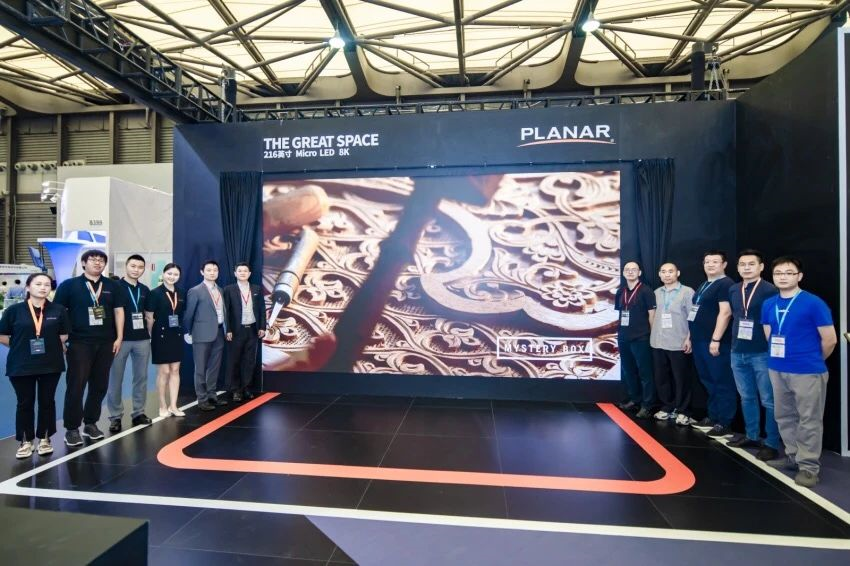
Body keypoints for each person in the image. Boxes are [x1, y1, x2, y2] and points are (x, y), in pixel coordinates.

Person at [762, 256, 837, 487]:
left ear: (799, 276)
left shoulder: (813, 303)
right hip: (777, 368)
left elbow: (830, 340)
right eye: (778, 273)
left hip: (807, 370)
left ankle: (809, 467)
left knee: (809, 419)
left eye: (789, 273)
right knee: (784, 416)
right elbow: (769, 335)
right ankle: (793, 457)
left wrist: (812, 360)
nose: (783, 277)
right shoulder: (769, 304)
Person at [52, 250, 124, 446]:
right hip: (79, 343)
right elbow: (58, 312)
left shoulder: (113, 286)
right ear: (84, 263)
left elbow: (119, 311)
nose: (97, 263)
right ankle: (72, 428)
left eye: (101, 260)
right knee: (76, 385)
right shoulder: (69, 285)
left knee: (99, 385)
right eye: (93, 259)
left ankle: (91, 423)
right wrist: (61, 338)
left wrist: (119, 337)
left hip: (106, 342)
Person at [0, 274, 69, 458]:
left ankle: (45, 438)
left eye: (47, 284)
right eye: (38, 284)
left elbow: (63, 335)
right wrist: (20, 346)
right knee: (24, 403)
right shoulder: (14, 310)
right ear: (28, 287)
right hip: (21, 364)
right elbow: (3, 335)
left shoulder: (58, 310)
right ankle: (25, 441)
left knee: (47, 401)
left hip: (50, 364)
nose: (43, 287)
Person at [727, 250, 779, 460]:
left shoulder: (770, 290)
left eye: (751, 264)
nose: (746, 268)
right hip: (737, 351)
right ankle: (752, 435)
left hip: (762, 352)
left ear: (761, 267)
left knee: (768, 399)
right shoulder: (733, 289)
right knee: (747, 397)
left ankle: (772, 442)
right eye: (742, 264)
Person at [688, 250, 736, 438]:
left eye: (715, 261)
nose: (710, 265)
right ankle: (713, 416)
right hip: (699, 340)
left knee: (722, 381)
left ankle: (725, 422)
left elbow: (725, 312)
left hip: (715, 342)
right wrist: (689, 337)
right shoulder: (704, 284)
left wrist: (716, 339)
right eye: (707, 261)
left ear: (724, 264)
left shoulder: (725, 284)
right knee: (708, 380)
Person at [106, 255, 152, 433]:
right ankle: (115, 416)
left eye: (140, 267)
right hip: (120, 340)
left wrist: (149, 335)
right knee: (115, 378)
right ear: (126, 266)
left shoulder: (145, 289)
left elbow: (148, 314)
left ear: (143, 269)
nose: (136, 270)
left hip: (142, 339)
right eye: (133, 266)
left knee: (141, 377)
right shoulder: (114, 287)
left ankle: (138, 412)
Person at [649, 262, 695, 425]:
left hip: (678, 342)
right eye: (663, 271)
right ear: (659, 274)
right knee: (661, 378)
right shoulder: (656, 292)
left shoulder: (687, 292)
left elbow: (693, 317)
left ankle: (683, 410)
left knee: (681, 378)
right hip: (658, 341)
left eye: (670, 271)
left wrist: (689, 338)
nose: (667, 274)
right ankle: (667, 406)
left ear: (678, 273)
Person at [184, 259, 227, 411]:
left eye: (215, 270)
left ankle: (212, 395)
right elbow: (189, 314)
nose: (212, 273)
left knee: (214, 367)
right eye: (209, 270)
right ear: (202, 272)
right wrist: (188, 332)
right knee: (200, 369)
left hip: (219, 333)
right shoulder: (195, 291)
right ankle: (202, 399)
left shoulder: (220, 290)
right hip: (201, 334)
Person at [615, 261, 656, 418]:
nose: (630, 272)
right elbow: (620, 314)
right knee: (629, 371)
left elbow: (652, 315)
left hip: (641, 338)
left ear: (639, 273)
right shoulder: (621, 291)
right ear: (623, 273)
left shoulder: (646, 291)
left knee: (645, 373)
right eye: (627, 269)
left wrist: (652, 336)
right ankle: (635, 399)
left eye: (634, 269)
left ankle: (647, 404)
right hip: (624, 337)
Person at [145, 263, 186, 417]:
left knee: (175, 370)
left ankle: (173, 406)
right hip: (160, 335)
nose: (172, 277)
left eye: (175, 274)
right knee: (164, 371)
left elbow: (181, 314)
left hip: (176, 334)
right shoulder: (155, 293)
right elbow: (149, 316)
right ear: (163, 274)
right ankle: (162, 405)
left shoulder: (181, 292)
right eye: (169, 273)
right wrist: (151, 334)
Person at [223, 262, 266, 402]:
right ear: (235, 273)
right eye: (240, 271)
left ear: (249, 273)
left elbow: (261, 309)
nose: (242, 273)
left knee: (249, 361)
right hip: (236, 330)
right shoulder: (229, 289)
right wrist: (228, 329)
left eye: (245, 271)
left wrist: (262, 327)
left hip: (252, 329)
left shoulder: (256, 289)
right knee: (234, 361)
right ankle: (235, 390)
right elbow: (226, 311)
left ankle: (246, 387)